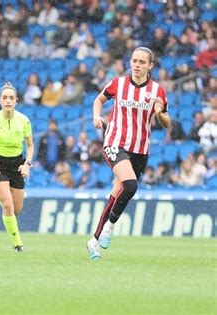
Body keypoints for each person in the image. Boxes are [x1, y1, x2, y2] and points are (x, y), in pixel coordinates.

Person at [87, 47, 171, 260]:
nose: (137, 65)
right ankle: (110, 228)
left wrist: (160, 113)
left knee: (117, 193)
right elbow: (98, 100)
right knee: (131, 184)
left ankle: (94, 240)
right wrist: (96, 116)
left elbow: (167, 123)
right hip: (115, 142)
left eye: (142, 62)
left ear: (150, 66)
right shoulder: (118, 83)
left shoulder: (157, 91)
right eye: (134, 60)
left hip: (140, 149)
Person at [0, 83, 34, 252]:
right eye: (5, 98)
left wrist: (27, 165)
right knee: (8, 205)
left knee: (16, 209)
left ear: (16, 101)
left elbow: (31, 146)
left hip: (17, 165)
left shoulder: (24, 120)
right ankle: (18, 244)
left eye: (11, 98)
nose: (8, 101)